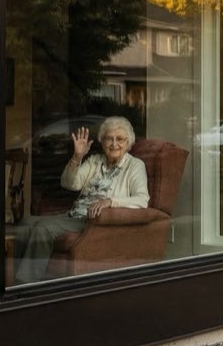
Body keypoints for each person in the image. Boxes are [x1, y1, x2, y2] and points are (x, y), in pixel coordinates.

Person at [13, 116, 149, 283]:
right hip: (74, 214)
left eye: (120, 139)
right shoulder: (95, 161)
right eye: (109, 138)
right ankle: (13, 282)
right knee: (24, 224)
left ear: (129, 143)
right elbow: (70, 184)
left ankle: (25, 286)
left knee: (44, 228)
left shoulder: (135, 165)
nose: (114, 143)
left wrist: (110, 202)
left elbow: (142, 200)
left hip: (93, 220)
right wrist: (77, 157)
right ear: (102, 141)